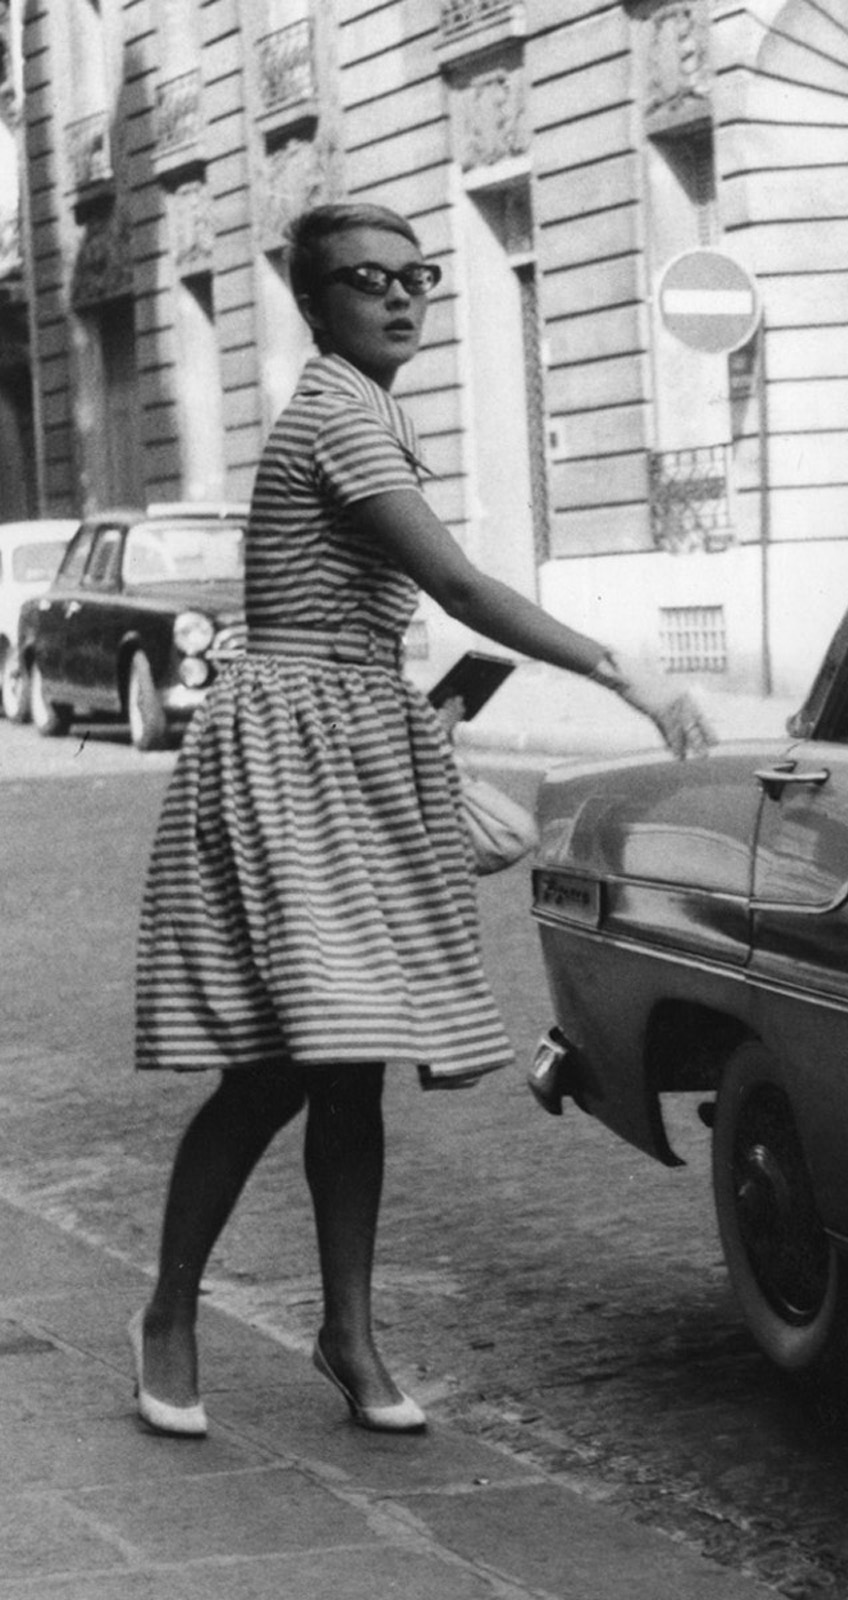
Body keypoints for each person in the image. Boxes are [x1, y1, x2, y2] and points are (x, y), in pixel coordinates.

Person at [127, 201, 712, 1440]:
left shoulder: (372, 411)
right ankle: (168, 1314)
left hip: (348, 735)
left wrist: (421, 717)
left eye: (417, 275)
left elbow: (374, 606)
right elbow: (454, 580)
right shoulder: (340, 413)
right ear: (314, 303)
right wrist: (627, 672)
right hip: (294, 750)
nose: (400, 296)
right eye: (367, 278)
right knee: (278, 1067)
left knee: (351, 1061)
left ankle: (348, 1334)